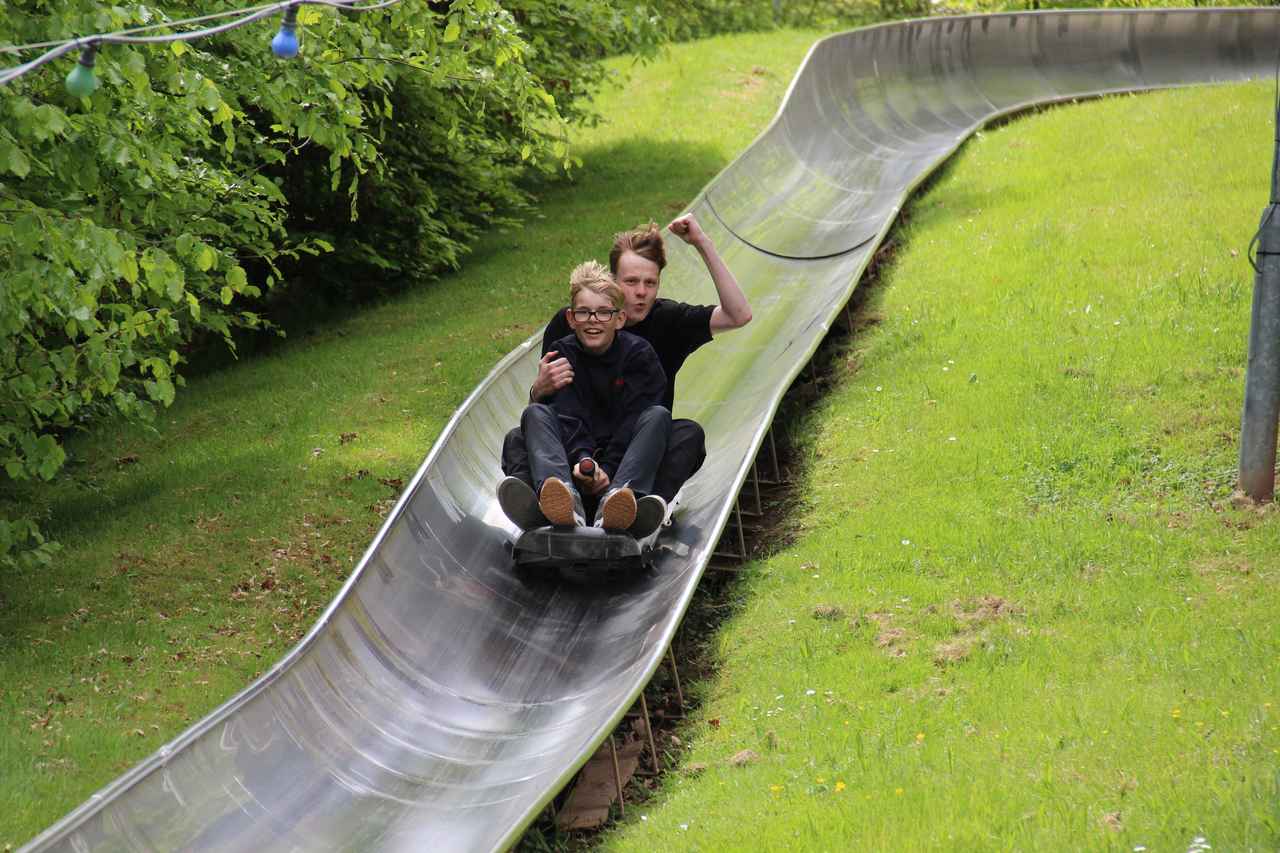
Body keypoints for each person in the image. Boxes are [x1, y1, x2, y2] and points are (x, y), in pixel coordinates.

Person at [499, 214, 751, 535]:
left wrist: (702, 242)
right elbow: (554, 411)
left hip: (638, 450)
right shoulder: (569, 327)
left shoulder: (668, 321)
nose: (641, 292)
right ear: (612, 282)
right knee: (517, 437)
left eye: (650, 283)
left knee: (687, 434)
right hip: (575, 454)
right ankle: (549, 505)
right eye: (631, 282)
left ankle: (635, 504)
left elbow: (739, 314)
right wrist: (538, 391)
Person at [502, 260, 671, 534]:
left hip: (624, 464)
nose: (593, 320)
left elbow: (635, 420)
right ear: (571, 319)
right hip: (571, 466)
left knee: (666, 421)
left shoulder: (640, 356)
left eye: (604, 313)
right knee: (528, 421)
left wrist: (608, 470)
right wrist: (582, 462)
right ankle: (558, 503)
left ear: (619, 319)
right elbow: (566, 415)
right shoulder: (561, 354)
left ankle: (623, 503)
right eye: (584, 313)